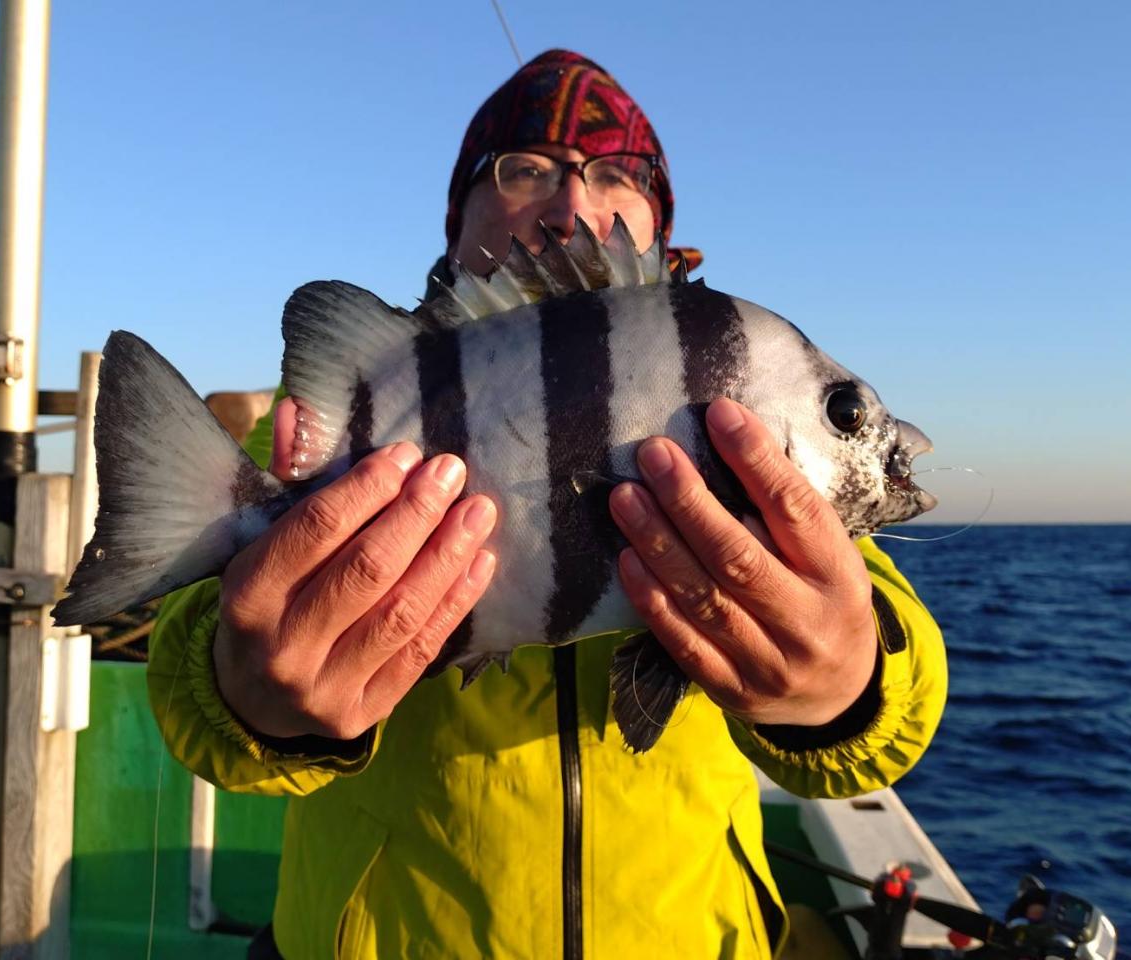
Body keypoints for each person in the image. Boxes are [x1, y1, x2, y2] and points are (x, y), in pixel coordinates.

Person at [148, 49, 946, 959]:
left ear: (657, 223)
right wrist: (246, 690)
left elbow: (893, 667)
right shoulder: (328, 427)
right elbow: (186, 680)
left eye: (615, 173)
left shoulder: (743, 410)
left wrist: (849, 684)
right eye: (524, 169)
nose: (572, 204)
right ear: (457, 219)